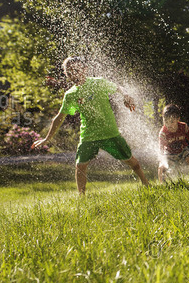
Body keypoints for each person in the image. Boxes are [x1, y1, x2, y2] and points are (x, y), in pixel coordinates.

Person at [32, 56, 149, 194]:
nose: (73, 74)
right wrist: (47, 138)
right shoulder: (71, 94)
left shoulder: (98, 83)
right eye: (69, 72)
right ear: (66, 75)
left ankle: (146, 184)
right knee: (80, 165)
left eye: (76, 70)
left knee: (130, 161)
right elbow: (59, 118)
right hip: (88, 134)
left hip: (109, 132)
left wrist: (126, 95)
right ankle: (82, 197)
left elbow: (118, 87)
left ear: (85, 69)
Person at [158, 104, 189, 183]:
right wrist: (161, 159)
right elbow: (161, 147)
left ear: (178, 119)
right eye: (166, 121)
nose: (169, 124)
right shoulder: (163, 133)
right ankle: (161, 183)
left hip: (182, 149)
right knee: (162, 167)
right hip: (169, 152)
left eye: (172, 122)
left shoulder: (183, 127)